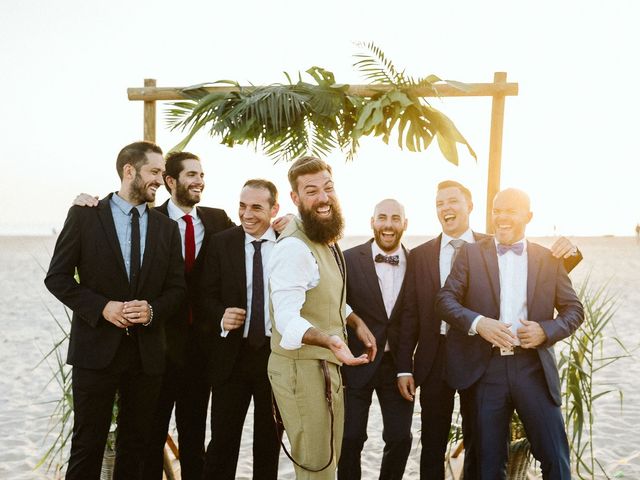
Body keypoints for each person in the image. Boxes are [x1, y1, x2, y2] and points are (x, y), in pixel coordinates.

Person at [396, 180, 582, 479]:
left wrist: (546, 331)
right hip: (485, 368)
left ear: (528, 217)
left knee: (555, 458)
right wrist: (479, 323)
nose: (502, 217)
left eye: (511, 211)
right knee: (486, 463)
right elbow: (442, 300)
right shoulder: (471, 254)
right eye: (497, 211)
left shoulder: (546, 258)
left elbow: (574, 310)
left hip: (532, 367)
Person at [71, 151, 236, 479]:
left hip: (192, 351)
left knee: (188, 440)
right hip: (150, 349)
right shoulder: (130, 215)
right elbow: (64, 273)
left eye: (201, 174)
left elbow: (249, 238)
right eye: (190, 175)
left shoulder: (217, 221)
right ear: (170, 181)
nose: (199, 181)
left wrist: (285, 223)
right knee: (131, 440)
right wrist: (104, 307)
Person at [44, 141, 186, 480]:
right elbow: (58, 278)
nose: (160, 180)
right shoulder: (85, 215)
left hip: (146, 356)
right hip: (95, 352)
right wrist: (102, 307)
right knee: (87, 445)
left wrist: (152, 310)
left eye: (162, 173)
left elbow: (178, 290)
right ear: (129, 171)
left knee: (135, 448)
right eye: (154, 172)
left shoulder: (166, 227)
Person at [267, 155, 377, 480]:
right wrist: (330, 339)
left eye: (328, 188)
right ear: (295, 198)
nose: (323, 197)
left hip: (324, 366)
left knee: (327, 461)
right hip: (302, 369)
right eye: (311, 191)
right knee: (316, 466)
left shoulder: (323, 238)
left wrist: (356, 322)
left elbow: (324, 296)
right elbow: (286, 319)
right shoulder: (293, 248)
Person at [198, 179, 283, 479]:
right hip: (231, 358)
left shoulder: (290, 244)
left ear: (275, 209)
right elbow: (203, 293)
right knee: (222, 442)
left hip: (277, 358)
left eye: (257, 207)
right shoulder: (222, 242)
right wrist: (221, 316)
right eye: (243, 206)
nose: (247, 214)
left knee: (269, 442)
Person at [338, 199, 413, 480]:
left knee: (400, 439)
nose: (388, 225)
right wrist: (354, 320)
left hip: (398, 366)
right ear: (372, 222)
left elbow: (414, 316)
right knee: (350, 438)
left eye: (396, 218)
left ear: (405, 224)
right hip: (356, 362)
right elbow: (333, 301)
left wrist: (407, 367)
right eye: (382, 218)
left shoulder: (416, 262)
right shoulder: (347, 259)